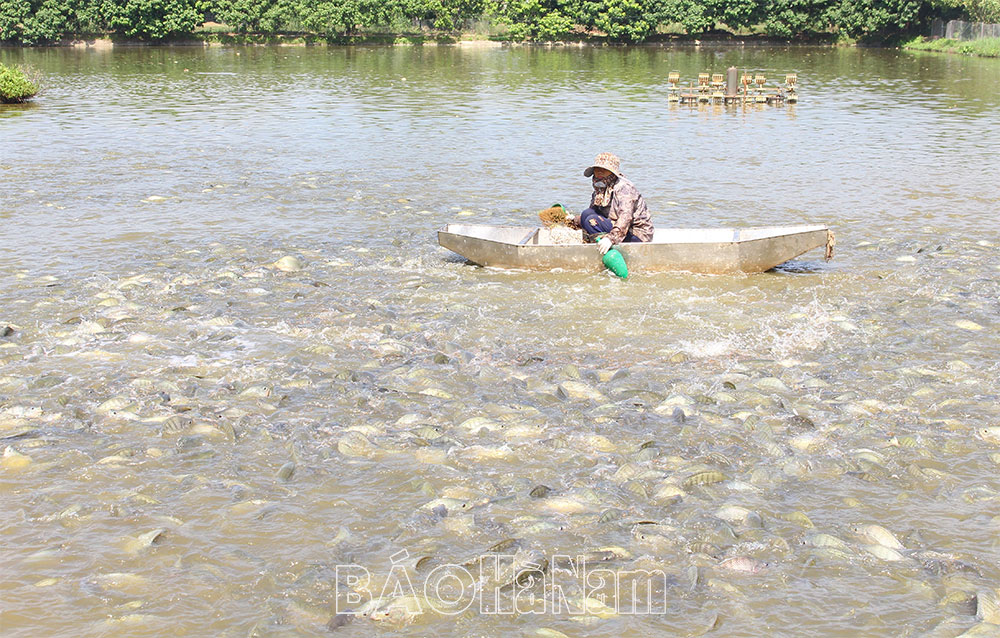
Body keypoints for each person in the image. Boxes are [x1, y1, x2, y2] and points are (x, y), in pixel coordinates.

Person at [575, 153, 654, 255]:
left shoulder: (624, 188)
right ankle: (597, 244)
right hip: (614, 224)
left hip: (635, 233)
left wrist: (611, 239)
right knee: (586, 214)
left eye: (604, 169)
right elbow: (593, 211)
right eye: (597, 169)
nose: (599, 172)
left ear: (612, 172)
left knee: (592, 221)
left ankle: (607, 250)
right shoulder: (600, 188)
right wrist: (573, 220)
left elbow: (625, 217)